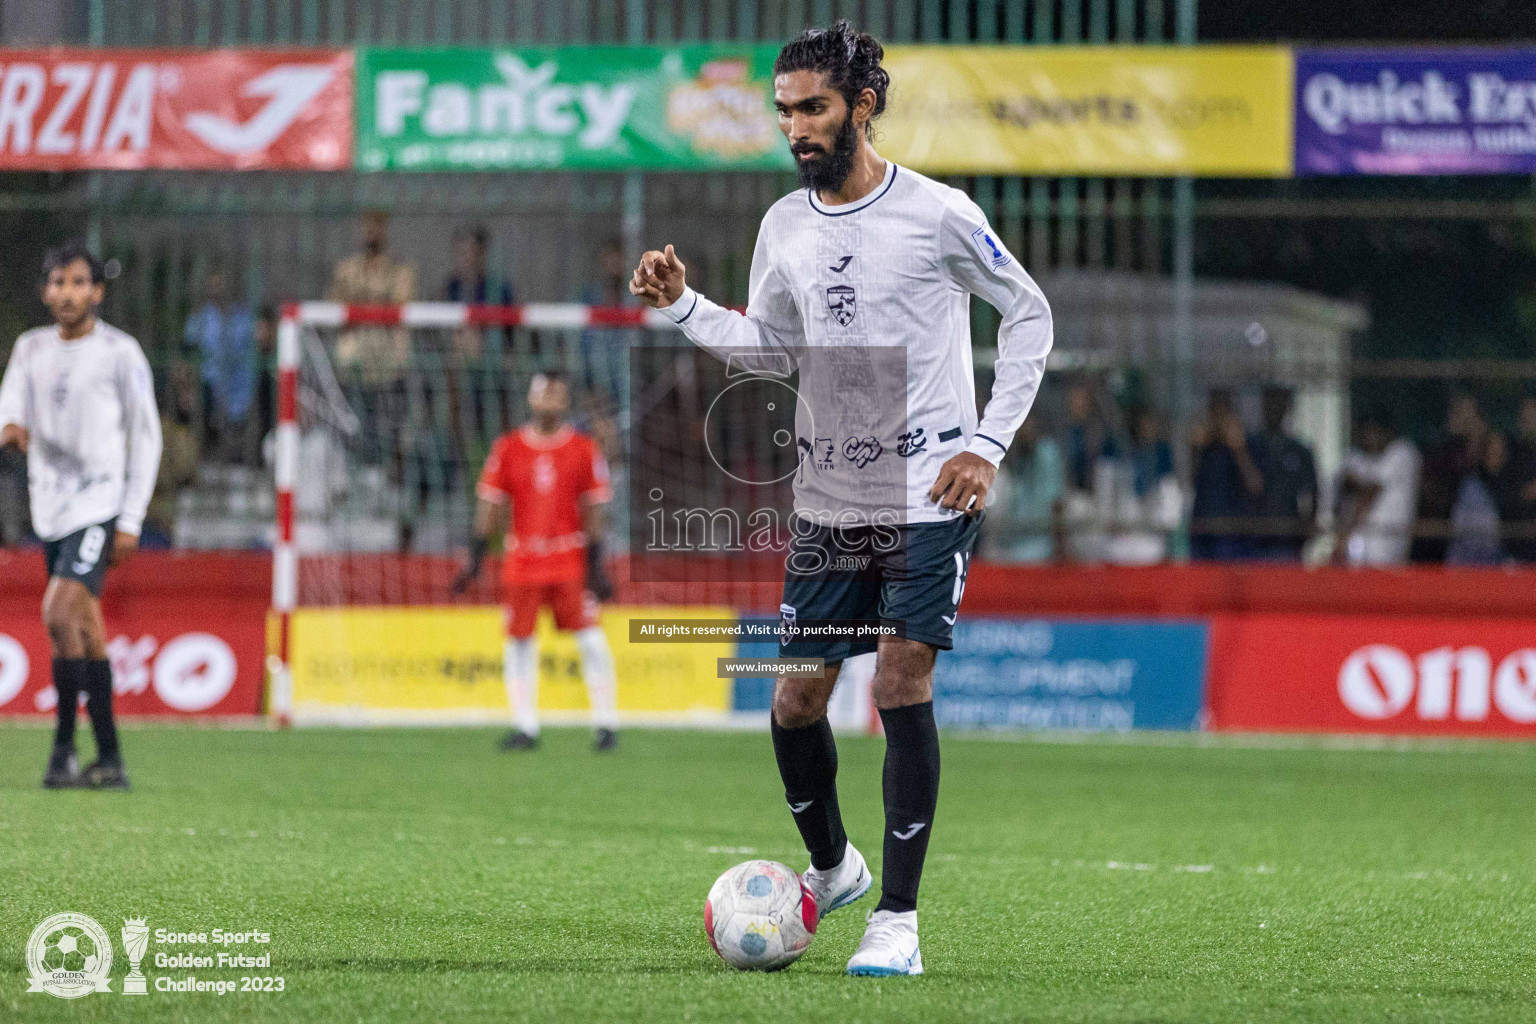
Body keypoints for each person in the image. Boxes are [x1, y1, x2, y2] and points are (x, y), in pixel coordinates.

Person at [630, 22, 1053, 976]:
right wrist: (685, 306)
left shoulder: (940, 214)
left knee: (902, 678)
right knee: (794, 701)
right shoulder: (783, 224)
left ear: (862, 105)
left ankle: (895, 920)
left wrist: (987, 444)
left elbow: (1029, 312)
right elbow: (775, 351)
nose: (797, 129)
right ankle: (837, 866)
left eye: (813, 108)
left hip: (929, 485)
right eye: (785, 112)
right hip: (832, 496)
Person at [0, 243, 162, 789]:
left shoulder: (121, 353)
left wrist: (131, 517)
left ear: (97, 291)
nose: (67, 293)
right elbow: (10, 403)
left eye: (77, 282)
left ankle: (63, 750)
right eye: (57, 282)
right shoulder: (30, 348)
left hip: (98, 504)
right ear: (45, 290)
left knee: (56, 613)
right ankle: (110, 758)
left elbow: (147, 436)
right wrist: (12, 427)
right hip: (51, 506)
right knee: (85, 630)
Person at [454, 370, 620, 753]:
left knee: (592, 641)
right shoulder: (508, 448)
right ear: (530, 397)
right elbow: (489, 506)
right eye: (542, 393)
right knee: (518, 644)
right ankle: (525, 726)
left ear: (565, 402)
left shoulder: (583, 449)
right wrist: (475, 559)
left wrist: (597, 566)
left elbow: (594, 509)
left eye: (556, 394)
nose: (548, 401)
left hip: (569, 560)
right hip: (523, 560)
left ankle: (606, 724)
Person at [182, 268, 255, 463]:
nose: (217, 290)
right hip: (208, 387)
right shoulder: (202, 317)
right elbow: (187, 351)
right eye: (213, 285)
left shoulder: (243, 317)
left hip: (239, 389)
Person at [1334, 408, 1420, 567]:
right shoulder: (1360, 457)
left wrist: (1342, 538)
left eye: (1374, 431)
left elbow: (1370, 492)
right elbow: (1344, 484)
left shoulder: (1403, 452)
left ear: (1387, 431)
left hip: (1388, 542)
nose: (1369, 437)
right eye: (1365, 431)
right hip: (1363, 543)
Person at [1245, 386, 1318, 560]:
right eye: (1269, 402)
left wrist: (1305, 530)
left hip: (1287, 540)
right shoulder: (1248, 447)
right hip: (1251, 538)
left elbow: (1312, 495)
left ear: (1288, 407)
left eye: (1279, 403)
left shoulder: (1300, 451)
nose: (1274, 408)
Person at [1189, 389, 1263, 560]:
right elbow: (1191, 483)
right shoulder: (1206, 447)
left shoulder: (1247, 444)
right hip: (1203, 529)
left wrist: (1239, 450)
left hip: (1231, 532)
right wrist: (1194, 450)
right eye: (1215, 412)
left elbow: (1255, 485)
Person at [142, 362, 201, 550]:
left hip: (143, 521)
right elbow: (186, 470)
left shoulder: (138, 427)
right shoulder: (170, 433)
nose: (189, 398)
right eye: (183, 390)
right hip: (155, 522)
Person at [1498, 396, 1536, 561]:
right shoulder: (1514, 455)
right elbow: (1504, 497)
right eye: (1524, 416)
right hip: (1518, 548)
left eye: (1531, 414)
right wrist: (1525, 493)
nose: (1527, 420)